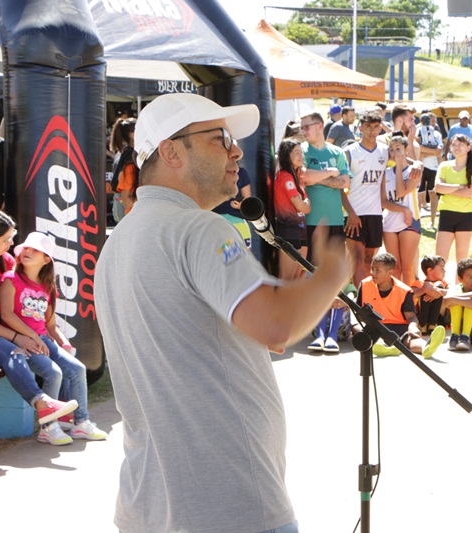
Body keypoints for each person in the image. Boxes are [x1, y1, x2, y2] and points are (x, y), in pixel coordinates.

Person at [94, 93, 353, 533]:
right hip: (229, 505)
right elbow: (277, 324)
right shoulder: (199, 228)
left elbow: (257, 332)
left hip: (150, 504)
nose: (236, 151)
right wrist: (331, 275)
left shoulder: (118, 241)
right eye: (219, 138)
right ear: (172, 151)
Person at [0, 231, 107, 444]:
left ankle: (81, 422)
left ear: (46, 259)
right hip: (22, 341)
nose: (28, 251)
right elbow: (6, 315)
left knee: (77, 369)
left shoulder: (47, 287)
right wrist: (33, 337)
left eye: (35, 250)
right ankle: (48, 427)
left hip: (42, 340)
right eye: (26, 248)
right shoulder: (10, 279)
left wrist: (62, 341)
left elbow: (49, 324)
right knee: (53, 372)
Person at [0, 209, 78, 443]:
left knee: (40, 356)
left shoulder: (4, 259)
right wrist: (17, 337)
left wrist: (36, 334)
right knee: (13, 351)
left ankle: (65, 417)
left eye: (12, 236)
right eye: (6, 239)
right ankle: (43, 403)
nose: (12, 243)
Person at [354, 252, 445, 359]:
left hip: (398, 327)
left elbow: (411, 317)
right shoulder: (365, 285)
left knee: (411, 339)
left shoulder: (404, 290)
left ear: (390, 272)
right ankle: (386, 346)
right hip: (373, 325)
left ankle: (426, 347)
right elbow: (357, 311)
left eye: (377, 270)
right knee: (356, 327)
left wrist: (413, 328)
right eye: (372, 269)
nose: (373, 273)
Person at [343, 111, 389, 286]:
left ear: (380, 129)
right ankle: (361, 304)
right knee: (357, 259)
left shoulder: (384, 151)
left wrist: (417, 163)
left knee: (369, 259)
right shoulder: (349, 152)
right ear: (360, 128)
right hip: (354, 213)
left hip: (375, 213)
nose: (372, 131)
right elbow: (340, 186)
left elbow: (403, 161)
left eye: (376, 127)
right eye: (368, 127)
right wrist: (350, 213)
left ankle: (364, 298)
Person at [300, 111, 350, 263]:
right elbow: (303, 177)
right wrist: (330, 172)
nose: (303, 132)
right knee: (312, 269)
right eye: (301, 128)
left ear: (319, 126)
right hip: (310, 221)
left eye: (306, 127)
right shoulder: (301, 150)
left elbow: (345, 182)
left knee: (333, 271)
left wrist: (317, 178)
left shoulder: (337, 152)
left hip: (335, 220)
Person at [381, 132, 421, 284]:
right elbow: (384, 202)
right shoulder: (385, 174)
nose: (394, 152)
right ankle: (396, 301)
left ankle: (409, 303)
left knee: (407, 268)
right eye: (391, 149)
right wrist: (403, 209)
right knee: (395, 268)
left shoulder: (415, 171)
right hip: (390, 223)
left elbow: (401, 191)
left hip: (409, 223)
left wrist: (399, 166)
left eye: (398, 148)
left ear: (406, 149)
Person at [434, 133, 472, 265]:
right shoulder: (444, 166)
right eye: (454, 145)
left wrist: (447, 189)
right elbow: (438, 187)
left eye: (460, 144)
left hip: (465, 216)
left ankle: (459, 285)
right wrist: (459, 186)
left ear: (468, 147)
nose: (456, 147)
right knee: (440, 259)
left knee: (462, 260)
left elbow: (468, 193)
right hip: (446, 215)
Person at [273, 138, 311, 280]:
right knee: (286, 280)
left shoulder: (296, 179)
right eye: (296, 153)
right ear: (286, 155)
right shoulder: (284, 177)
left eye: (301, 152)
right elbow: (303, 206)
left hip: (301, 232)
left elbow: (306, 206)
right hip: (289, 231)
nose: (301, 156)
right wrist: (305, 202)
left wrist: (305, 203)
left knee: (298, 278)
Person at [443, 257, 472, 351]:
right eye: (469, 277)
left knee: (471, 304)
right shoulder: (455, 288)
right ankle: (454, 336)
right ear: (460, 278)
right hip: (458, 328)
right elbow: (447, 301)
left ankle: (465, 338)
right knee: (458, 303)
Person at [213, 166, 253, 249]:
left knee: (244, 258)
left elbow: (248, 203)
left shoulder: (241, 173)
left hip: (237, 223)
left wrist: (239, 205)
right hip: (216, 222)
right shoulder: (209, 172)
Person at [417, 112, 443, 229]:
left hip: (433, 167)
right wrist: (431, 152)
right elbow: (418, 149)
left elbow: (439, 150)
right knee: (419, 194)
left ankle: (432, 222)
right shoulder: (418, 132)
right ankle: (417, 221)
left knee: (433, 194)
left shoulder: (437, 134)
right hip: (421, 166)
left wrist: (425, 152)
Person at [411, 255, 448, 333]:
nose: (445, 271)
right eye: (442, 268)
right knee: (427, 288)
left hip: (440, 318)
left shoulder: (445, 283)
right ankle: (423, 324)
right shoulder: (419, 283)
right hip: (422, 316)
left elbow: (453, 292)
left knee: (439, 285)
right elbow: (410, 294)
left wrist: (438, 292)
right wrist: (424, 290)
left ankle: (433, 324)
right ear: (430, 271)